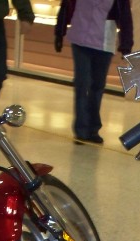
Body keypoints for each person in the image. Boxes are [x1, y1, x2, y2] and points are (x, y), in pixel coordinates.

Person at [55, 0, 134, 144]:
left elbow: (125, 17)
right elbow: (66, 6)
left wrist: (126, 45)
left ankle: (93, 129)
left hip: (104, 43)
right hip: (80, 40)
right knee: (82, 84)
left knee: (97, 86)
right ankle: (81, 130)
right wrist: (59, 32)